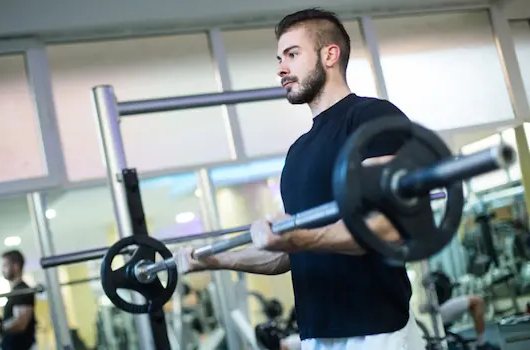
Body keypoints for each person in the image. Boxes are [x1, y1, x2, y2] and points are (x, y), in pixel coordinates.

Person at [174, 7, 429, 349]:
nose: (281, 68)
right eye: (280, 58)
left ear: (329, 55)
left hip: (376, 332)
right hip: (317, 337)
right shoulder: (298, 152)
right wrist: (212, 260)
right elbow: (286, 254)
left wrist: (300, 239)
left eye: (293, 55)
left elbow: (390, 226)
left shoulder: (371, 118)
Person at [433, 271, 500, 350]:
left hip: (436, 317)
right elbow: (477, 302)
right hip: (438, 313)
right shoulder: (441, 309)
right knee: (477, 302)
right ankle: (481, 343)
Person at [0, 250, 36, 350]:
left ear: (16, 266)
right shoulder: (15, 292)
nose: (2, 270)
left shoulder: (22, 291)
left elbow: (20, 324)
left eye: (5, 265)